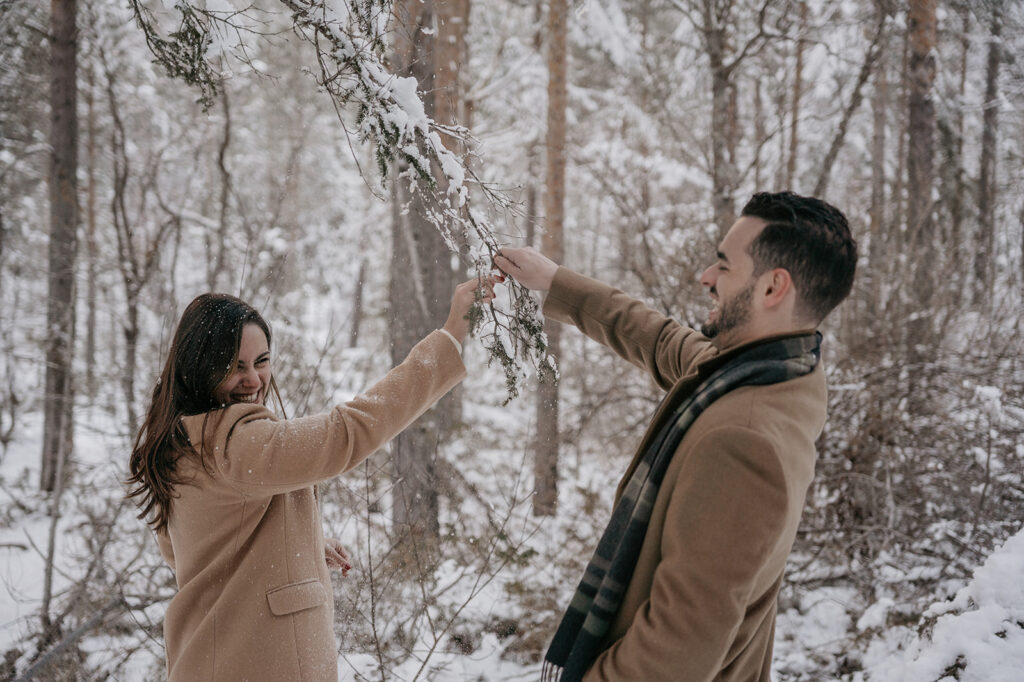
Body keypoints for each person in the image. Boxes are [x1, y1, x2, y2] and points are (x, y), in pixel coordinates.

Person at [495, 191, 857, 681]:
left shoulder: (745, 441)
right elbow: (661, 339)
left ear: (773, 287)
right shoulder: (776, 372)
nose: (706, 277)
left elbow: (673, 654)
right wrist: (557, 282)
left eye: (724, 266)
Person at [126, 276, 499, 681]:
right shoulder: (237, 443)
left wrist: (293, 546)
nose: (253, 379)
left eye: (261, 361)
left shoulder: (181, 442)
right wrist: (451, 336)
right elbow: (348, 431)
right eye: (234, 367)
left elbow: (198, 551)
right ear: (202, 368)